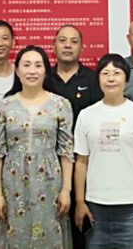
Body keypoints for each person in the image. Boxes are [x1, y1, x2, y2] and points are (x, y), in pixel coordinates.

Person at [0, 45, 75, 249]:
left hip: (50, 183)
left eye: (38, 65)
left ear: (46, 71)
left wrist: (66, 190)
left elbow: (66, 152)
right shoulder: (5, 105)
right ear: (17, 70)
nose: (32, 71)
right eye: (26, 65)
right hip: (12, 184)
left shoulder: (61, 104)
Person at [74, 53, 133, 249]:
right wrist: (80, 202)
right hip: (95, 207)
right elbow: (81, 162)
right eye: (105, 73)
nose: (111, 78)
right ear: (98, 79)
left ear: (126, 79)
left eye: (117, 73)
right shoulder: (86, 116)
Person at [51, 25, 103, 249]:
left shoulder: (93, 79)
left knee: (83, 225)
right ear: (54, 46)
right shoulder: (43, 78)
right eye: (62, 40)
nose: (68, 45)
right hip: (49, 165)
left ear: (82, 47)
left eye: (74, 41)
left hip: (86, 165)